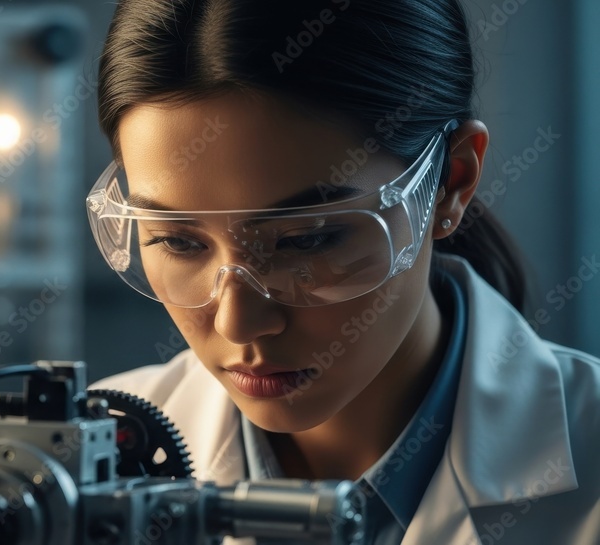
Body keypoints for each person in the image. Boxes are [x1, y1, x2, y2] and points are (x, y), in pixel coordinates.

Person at [86, 1, 600, 544]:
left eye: (307, 239)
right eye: (177, 241)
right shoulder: (78, 465)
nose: (239, 324)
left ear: (451, 181)